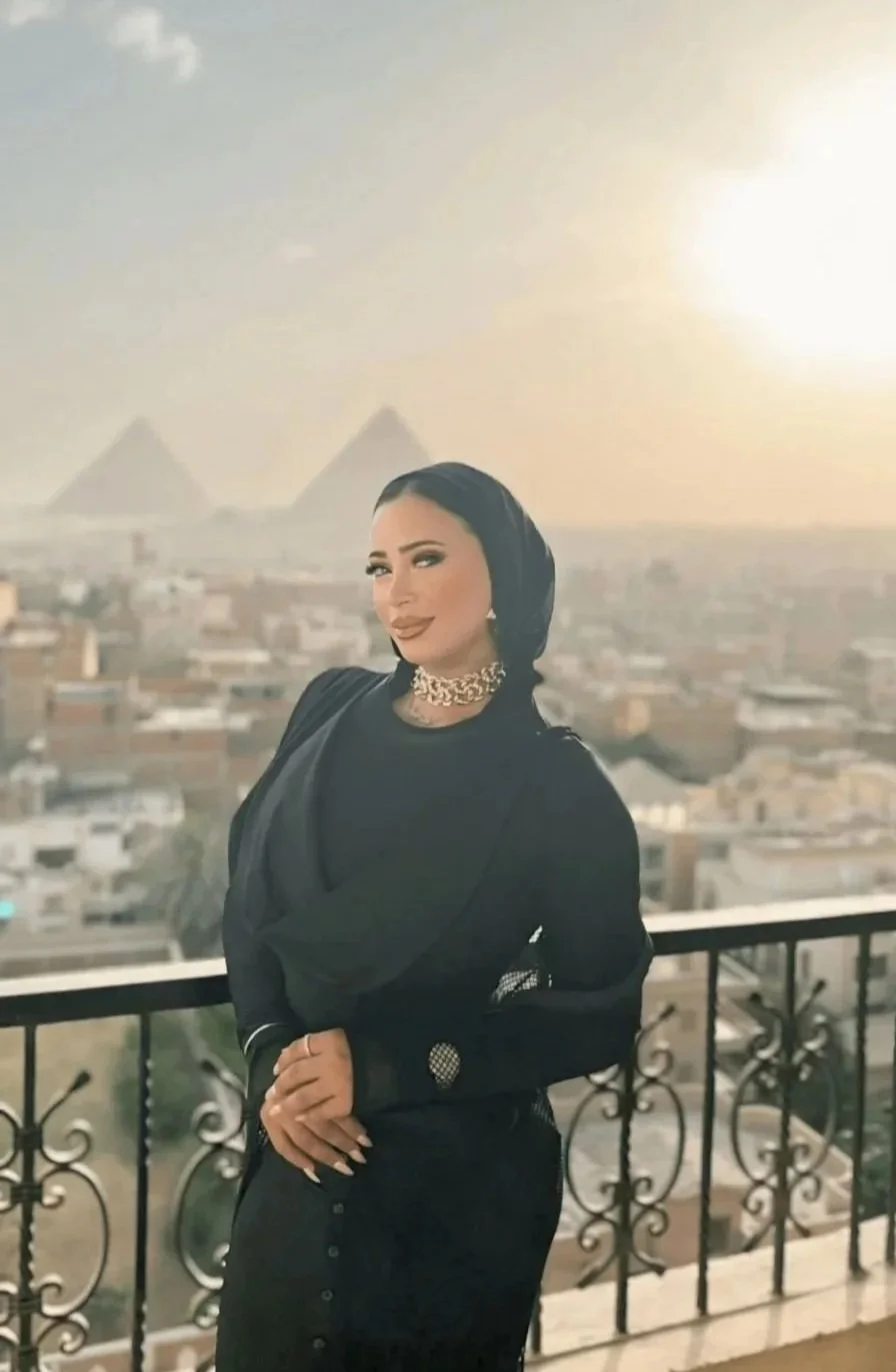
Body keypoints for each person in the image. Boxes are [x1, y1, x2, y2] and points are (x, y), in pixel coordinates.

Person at [216, 462, 652, 1372]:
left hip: (451, 1208)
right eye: (378, 567)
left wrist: (382, 1068)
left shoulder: (557, 787)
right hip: (294, 1177)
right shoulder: (326, 711)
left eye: (425, 558)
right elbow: (249, 905)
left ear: (504, 576)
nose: (397, 594)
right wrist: (274, 1064)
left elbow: (602, 1012)